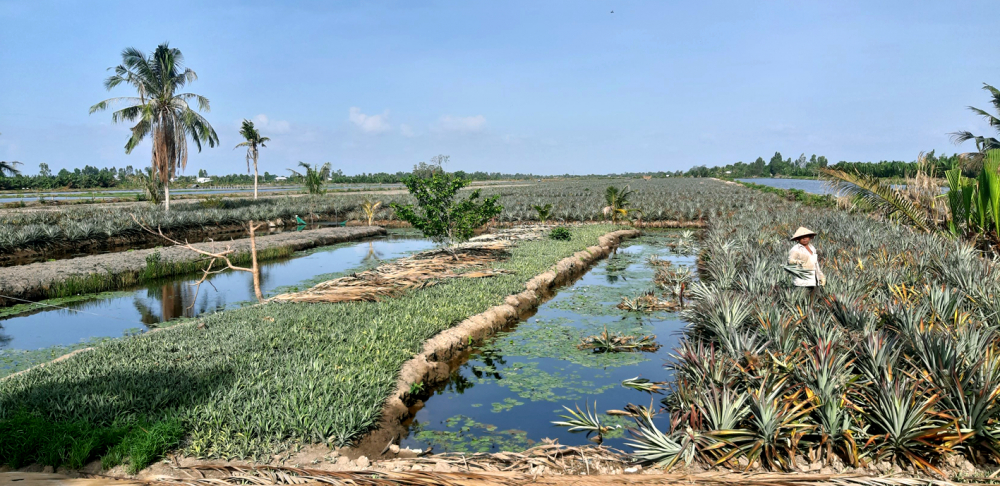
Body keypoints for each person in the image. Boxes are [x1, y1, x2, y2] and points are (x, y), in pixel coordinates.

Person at [788, 227, 825, 296]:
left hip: (814, 280)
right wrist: (797, 262)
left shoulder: (812, 248)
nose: (804, 239)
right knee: (800, 301)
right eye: (802, 237)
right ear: (798, 239)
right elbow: (790, 262)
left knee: (815, 301)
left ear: (810, 237)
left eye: (806, 237)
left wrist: (821, 276)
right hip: (802, 281)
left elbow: (816, 264)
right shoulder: (795, 249)